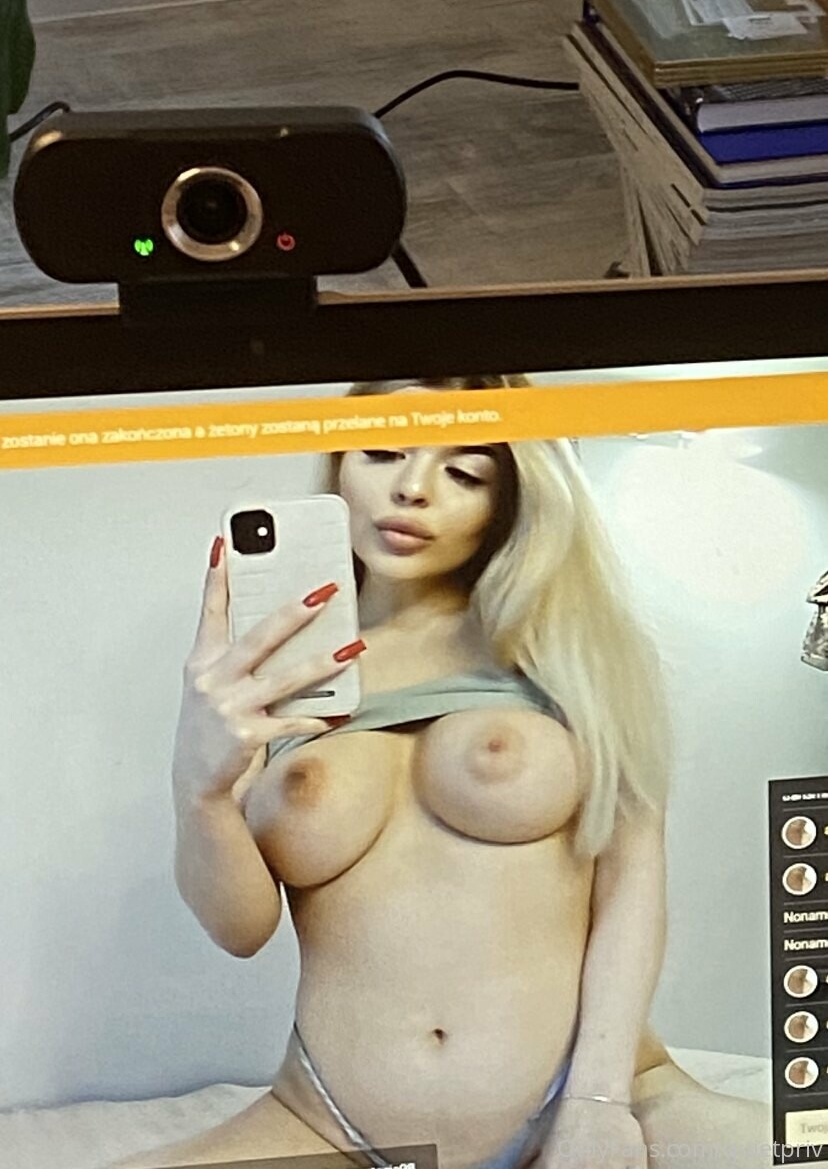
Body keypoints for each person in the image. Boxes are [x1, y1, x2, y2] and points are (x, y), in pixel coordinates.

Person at [115, 376, 770, 1169]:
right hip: (331, 1124)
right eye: (382, 452)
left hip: (597, 1097)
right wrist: (201, 789)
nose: (412, 489)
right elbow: (240, 929)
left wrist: (598, 1107)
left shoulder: (565, 650)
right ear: (339, 462)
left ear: (508, 499)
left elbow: (632, 881)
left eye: (464, 472)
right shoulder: (274, 669)